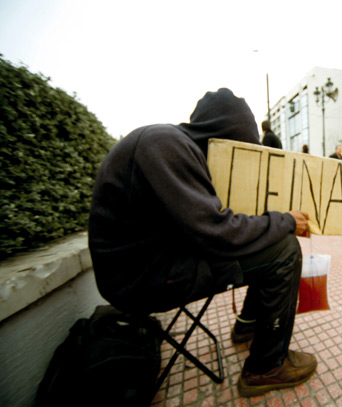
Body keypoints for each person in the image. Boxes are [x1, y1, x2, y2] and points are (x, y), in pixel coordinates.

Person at [88, 88, 317, 397]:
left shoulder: (174, 145)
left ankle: (249, 324)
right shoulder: (166, 146)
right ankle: (265, 367)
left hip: (152, 263)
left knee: (269, 241)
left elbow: (209, 223)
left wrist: (272, 223)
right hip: (141, 280)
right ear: (226, 138)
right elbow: (217, 231)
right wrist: (285, 221)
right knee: (284, 251)